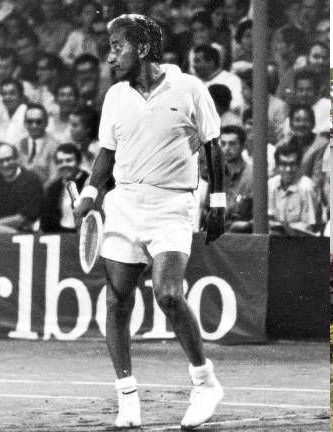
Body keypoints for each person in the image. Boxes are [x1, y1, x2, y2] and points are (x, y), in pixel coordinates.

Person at [73, 14, 225, 429]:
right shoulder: (116, 97)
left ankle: (204, 381)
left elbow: (214, 146)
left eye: (116, 47)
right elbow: (106, 154)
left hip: (173, 204)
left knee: (169, 294)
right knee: (117, 298)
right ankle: (127, 396)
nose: (109, 57)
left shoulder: (190, 88)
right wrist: (89, 195)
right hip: (124, 203)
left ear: (141, 48)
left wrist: (221, 202)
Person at [0, 143, 43, 233]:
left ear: (17, 159)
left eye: (9, 159)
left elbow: (23, 219)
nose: (5, 164)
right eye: (0, 161)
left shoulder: (31, 180)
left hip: (26, 232)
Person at [40, 143, 88, 233]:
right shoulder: (53, 188)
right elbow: (46, 221)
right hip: (60, 237)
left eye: (69, 160)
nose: (64, 165)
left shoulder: (89, 183)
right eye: (60, 162)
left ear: (78, 162)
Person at [268, 145, 316, 234]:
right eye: (283, 164)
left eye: (292, 164)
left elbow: (309, 226)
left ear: (299, 165)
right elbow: (269, 217)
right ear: (277, 165)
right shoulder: (271, 184)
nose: (288, 169)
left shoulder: (306, 187)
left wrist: (287, 228)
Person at [18, 103, 59, 184]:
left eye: (38, 122)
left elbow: (54, 178)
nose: (34, 125)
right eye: (30, 122)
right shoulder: (18, 145)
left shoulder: (55, 147)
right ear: (25, 123)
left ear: (46, 123)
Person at [0, 78, 28, 145]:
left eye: (12, 93)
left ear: (21, 96)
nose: (7, 97)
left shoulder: (28, 115)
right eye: (4, 94)